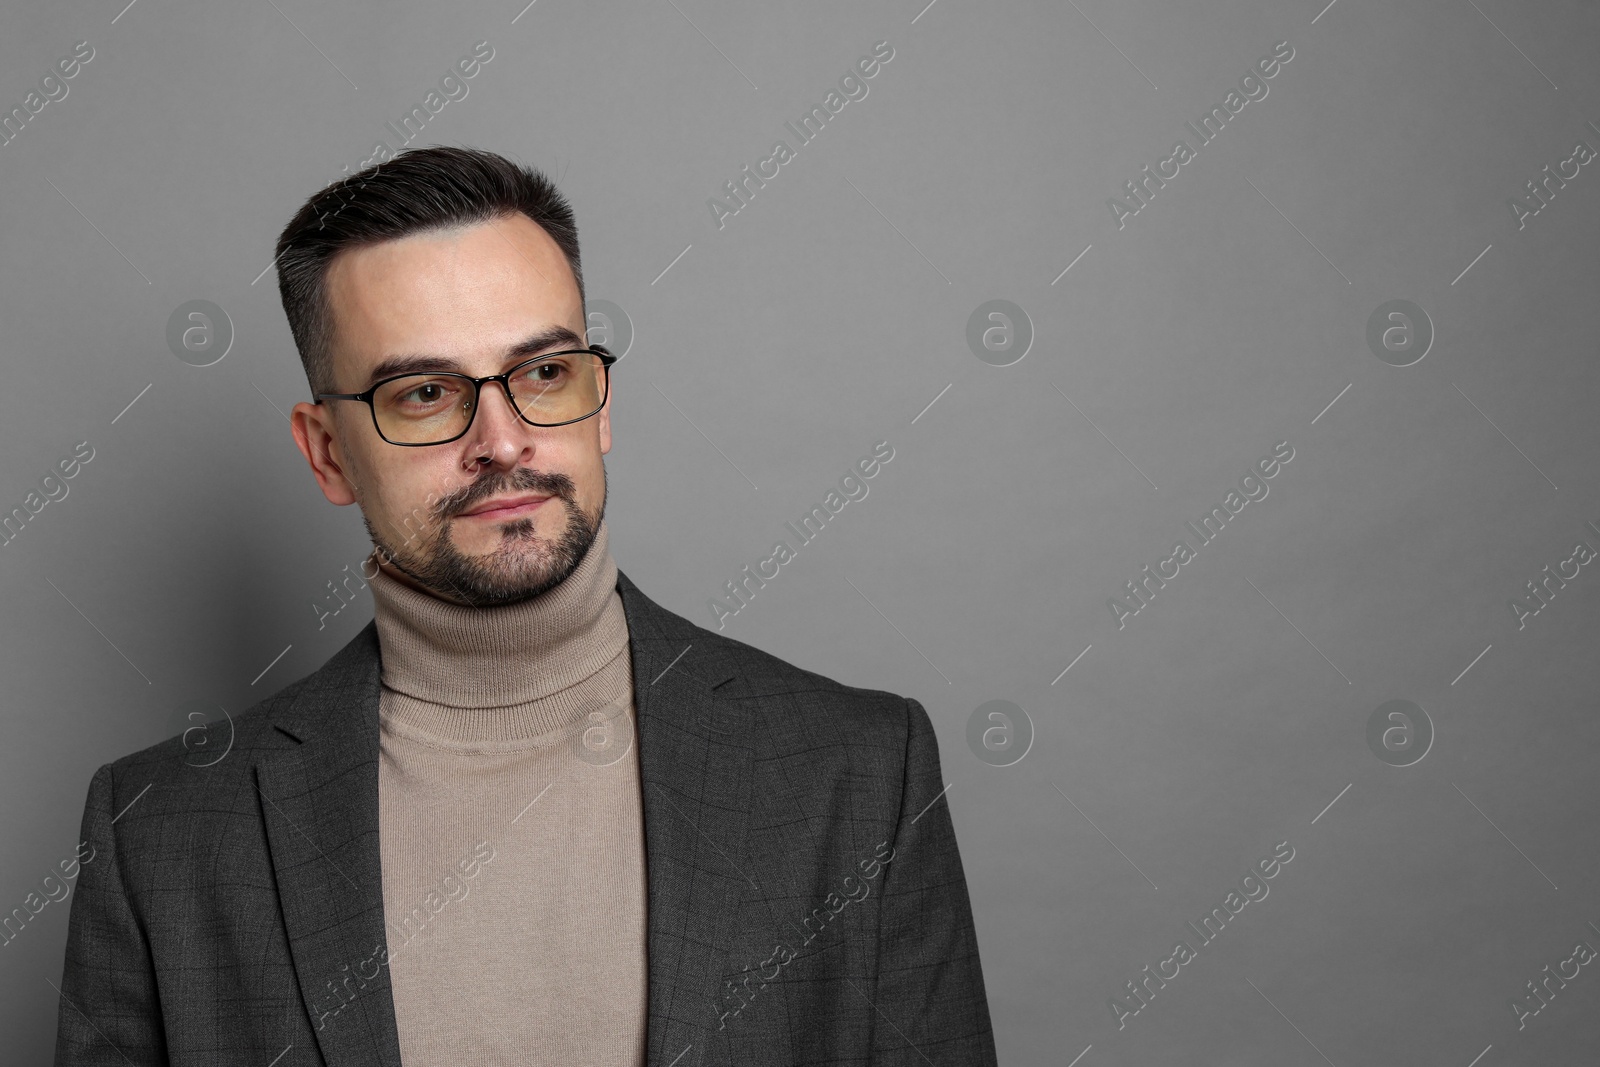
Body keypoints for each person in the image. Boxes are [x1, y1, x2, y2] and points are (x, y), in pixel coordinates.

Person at [53, 145, 996, 1066]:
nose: (502, 442)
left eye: (545, 373)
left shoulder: (861, 777)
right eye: (425, 393)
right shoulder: (160, 839)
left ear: (601, 400)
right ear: (328, 452)